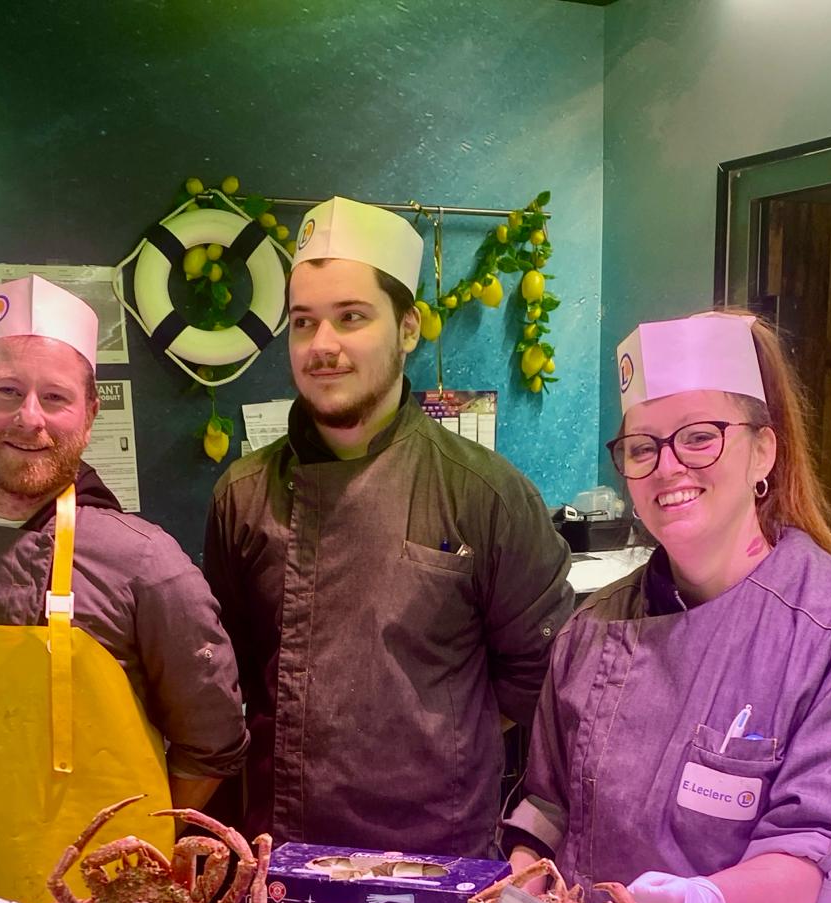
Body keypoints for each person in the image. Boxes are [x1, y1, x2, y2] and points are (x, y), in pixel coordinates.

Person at [504, 310, 831, 903]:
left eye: (699, 438)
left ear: (764, 450)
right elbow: (545, 804)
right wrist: (524, 882)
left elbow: (814, 851)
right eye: (642, 448)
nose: (667, 468)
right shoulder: (590, 631)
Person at [203, 196, 576, 858]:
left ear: (408, 329)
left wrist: (431, 740)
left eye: (351, 318)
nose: (323, 346)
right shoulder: (243, 495)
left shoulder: (484, 493)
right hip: (285, 853)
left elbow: (542, 675)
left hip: (441, 858)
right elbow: (229, 676)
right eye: (303, 323)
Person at [0, 273, 248, 903]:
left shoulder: (147, 564)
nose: (30, 418)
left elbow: (212, 744)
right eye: (7, 392)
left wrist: (137, 845)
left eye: (55, 396)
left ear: (90, 412)